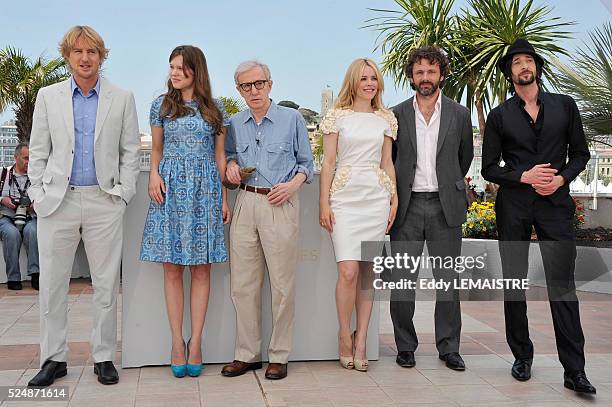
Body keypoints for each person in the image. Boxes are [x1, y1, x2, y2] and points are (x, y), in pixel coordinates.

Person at [27, 26, 140, 387]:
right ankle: (53, 358)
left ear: (101, 55)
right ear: (68, 56)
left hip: (103, 201)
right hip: (57, 203)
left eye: (92, 51)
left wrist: (122, 193)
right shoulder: (48, 97)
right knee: (52, 286)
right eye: (78, 52)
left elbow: (130, 152)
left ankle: (103, 356)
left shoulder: (122, 98)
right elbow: (38, 151)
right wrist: (37, 194)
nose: (85, 58)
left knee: (106, 285)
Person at [481, 38, 596, 394]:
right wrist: (522, 176)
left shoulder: (565, 106)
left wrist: (560, 179)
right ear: (509, 74)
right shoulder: (500, 116)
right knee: (514, 283)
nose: (523, 66)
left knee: (562, 285)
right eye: (516, 63)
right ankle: (522, 356)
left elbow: (580, 153)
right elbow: (488, 168)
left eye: (528, 60)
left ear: (537, 67)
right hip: (514, 206)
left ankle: (574, 371)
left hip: (555, 206)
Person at [140, 45, 231, 378]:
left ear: (196, 70)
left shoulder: (215, 110)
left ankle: (197, 343)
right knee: (172, 268)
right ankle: (177, 341)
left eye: (181, 67)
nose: (174, 73)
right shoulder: (161, 107)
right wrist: (154, 176)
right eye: (171, 67)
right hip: (170, 190)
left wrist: (222, 198)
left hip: (205, 191)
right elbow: (157, 150)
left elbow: (220, 158)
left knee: (203, 270)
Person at [222, 60, 313, 380]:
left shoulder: (292, 120)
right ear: (239, 90)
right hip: (246, 201)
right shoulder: (233, 123)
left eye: (259, 84)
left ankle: (279, 355)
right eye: (246, 86)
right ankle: (247, 355)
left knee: (282, 286)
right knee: (242, 285)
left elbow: (307, 163)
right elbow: (229, 158)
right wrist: (230, 167)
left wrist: (292, 186)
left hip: (280, 203)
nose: (254, 91)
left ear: (270, 84)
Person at [390, 46, 473, 371]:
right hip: (407, 207)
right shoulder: (396, 114)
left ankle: (449, 347)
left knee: (448, 281)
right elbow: (391, 159)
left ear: (441, 74)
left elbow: (463, 158)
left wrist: (448, 183)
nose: (426, 78)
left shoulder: (459, 114)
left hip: (445, 206)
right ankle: (405, 346)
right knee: (402, 281)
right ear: (412, 76)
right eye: (420, 72)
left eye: (431, 71)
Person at [319, 58, 397, 372]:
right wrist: (324, 202)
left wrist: (393, 198)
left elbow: (388, 163)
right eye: (363, 78)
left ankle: (362, 338)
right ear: (353, 82)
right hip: (345, 198)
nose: (369, 83)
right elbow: (327, 163)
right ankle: (343, 334)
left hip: (376, 198)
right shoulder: (336, 117)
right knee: (348, 272)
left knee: (369, 274)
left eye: (374, 78)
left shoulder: (386, 119)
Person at [0, 144, 39, 290]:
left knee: (33, 232)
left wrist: (34, 205)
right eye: (26, 158)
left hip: (29, 215)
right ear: (16, 158)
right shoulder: (4, 173)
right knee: (11, 234)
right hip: (6, 215)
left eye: (31, 158)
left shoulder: (36, 177)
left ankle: (36, 274)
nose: (29, 161)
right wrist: (2, 200)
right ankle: (13, 278)